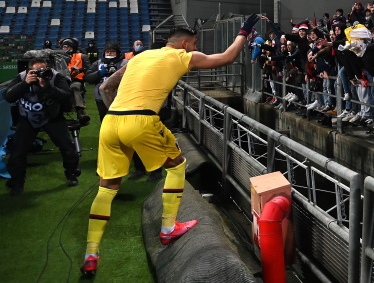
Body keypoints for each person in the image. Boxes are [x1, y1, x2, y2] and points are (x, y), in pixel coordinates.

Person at [79, 14, 261, 277]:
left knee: (107, 189)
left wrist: (118, 115)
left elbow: (106, 87)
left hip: (111, 122)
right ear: (185, 44)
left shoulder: (138, 58)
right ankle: (168, 228)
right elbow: (227, 57)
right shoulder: (181, 57)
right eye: (195, 44)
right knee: (177, 167)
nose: (197, 49)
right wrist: (244, 30)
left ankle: (91, 253)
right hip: (142, 120)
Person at [3, 56, 81, 195]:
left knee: (67, 147)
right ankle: (17, 183)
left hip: (52, 117)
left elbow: (66, 95)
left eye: (43, 70)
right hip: (27, 117)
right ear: (29, 71)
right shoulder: (22, 77)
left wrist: (48, 87)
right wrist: (24, 84)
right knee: (18, 151)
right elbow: (8, 97)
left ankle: (72, 174)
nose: (41, 73)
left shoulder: (55, 77)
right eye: (36, 71)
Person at [60, 38, 91, 125]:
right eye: (64, 47)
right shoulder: (58, 58)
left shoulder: (81, 56)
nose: (66, 48)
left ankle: (80, 112)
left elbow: (89, 71)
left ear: (73, 48)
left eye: (68, 47)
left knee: (74, 87)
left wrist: (80, 70)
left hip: (75, 80)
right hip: (61, 81)